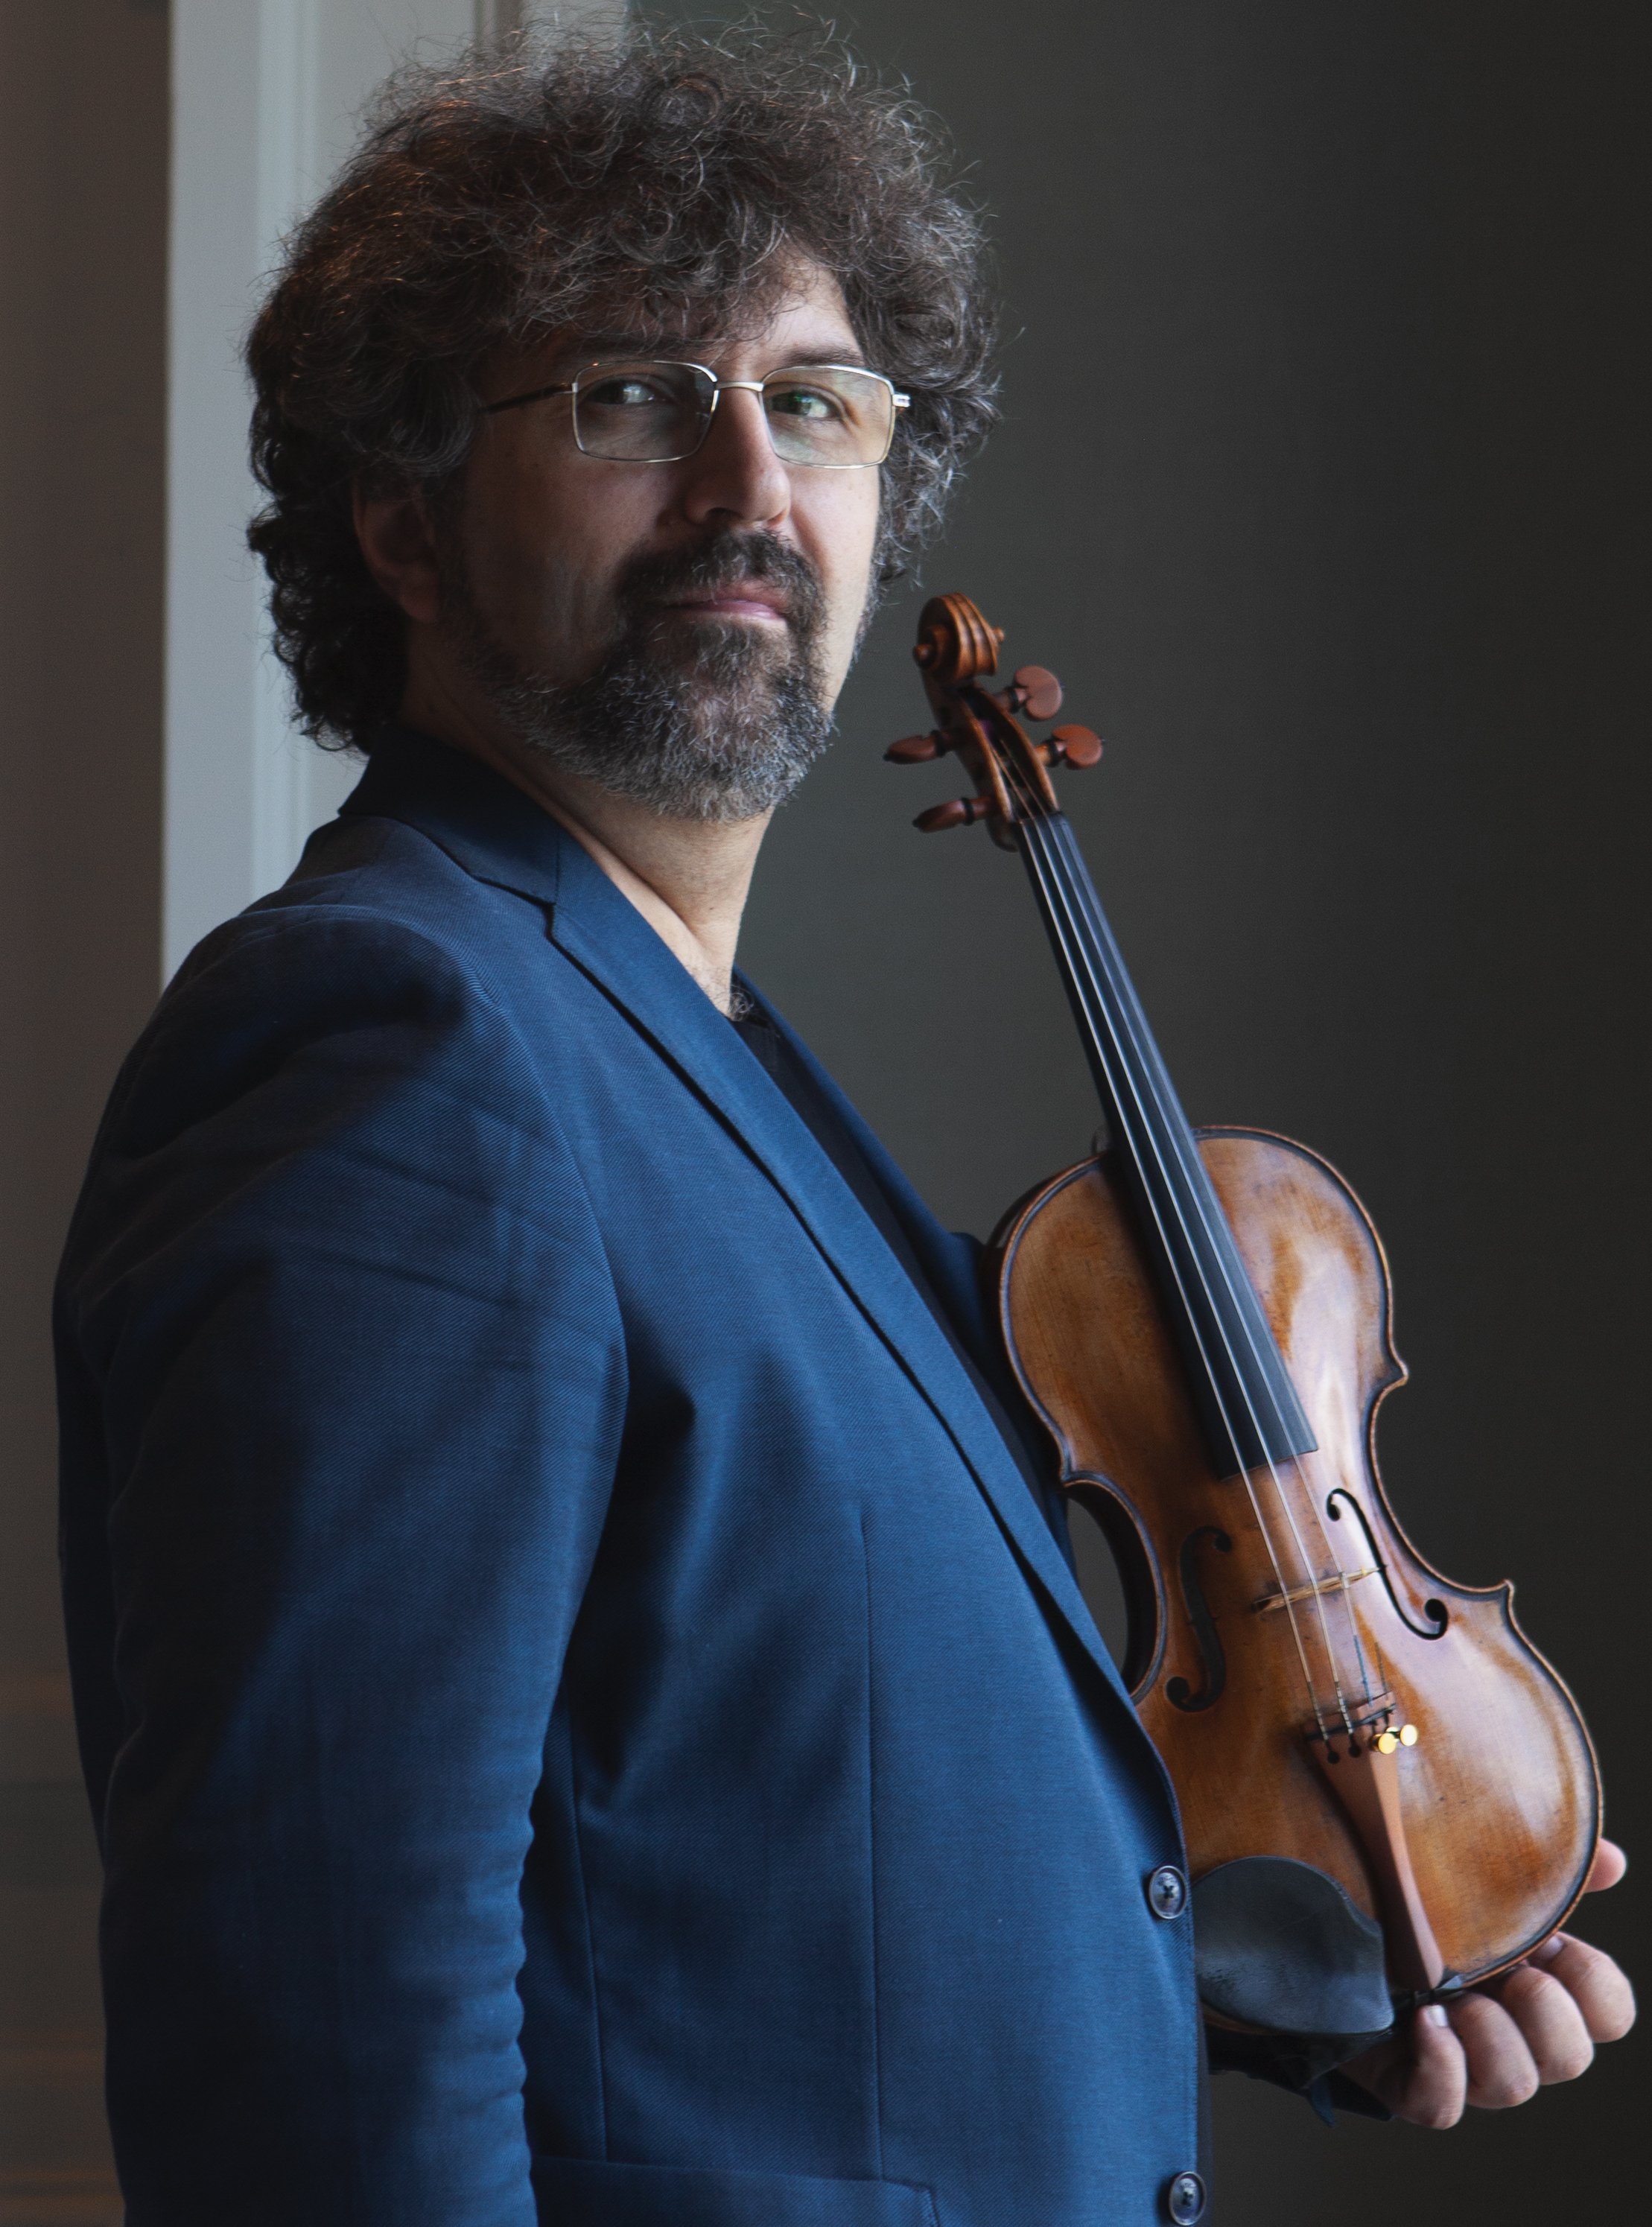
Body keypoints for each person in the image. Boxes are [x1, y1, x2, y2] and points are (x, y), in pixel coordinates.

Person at [54, 25, 1632, 2227]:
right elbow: (326, 2024)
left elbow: (745, 1873)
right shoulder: (397, 1043)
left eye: (814, 403)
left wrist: (1294, 1984)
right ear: (402, 523)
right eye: (629, 398)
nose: (748, 487)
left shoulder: (699, 1054)